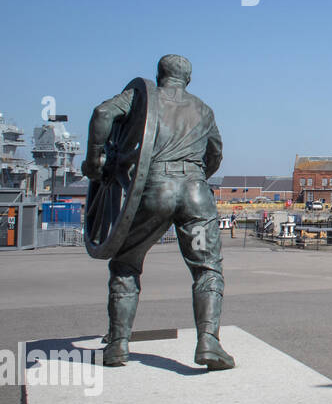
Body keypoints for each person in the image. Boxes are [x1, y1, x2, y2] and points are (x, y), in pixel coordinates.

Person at [82, 54, 235, 370]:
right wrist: (195, 174)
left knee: (126, 262)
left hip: (155, 188)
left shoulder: (142, 98)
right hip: (195, 189)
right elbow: (216, 154)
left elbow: (102, 113)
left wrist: (96, 160)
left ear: (159, 74)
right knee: (207, 268)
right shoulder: (204, 110)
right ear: (188, 79)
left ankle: (118, 345)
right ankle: (209, 341)